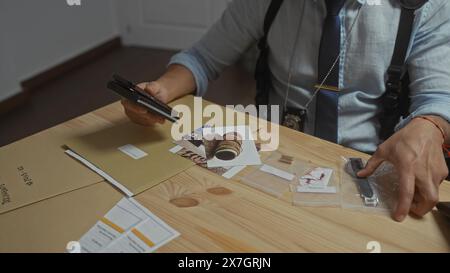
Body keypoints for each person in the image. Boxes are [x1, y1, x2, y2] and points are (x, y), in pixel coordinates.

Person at [121, 0, 450, 222]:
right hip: (269, 162)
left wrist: (429, 125)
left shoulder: (426, 6)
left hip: (366, 172)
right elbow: (204, 57)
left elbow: (438, 97)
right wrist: (162, 88)